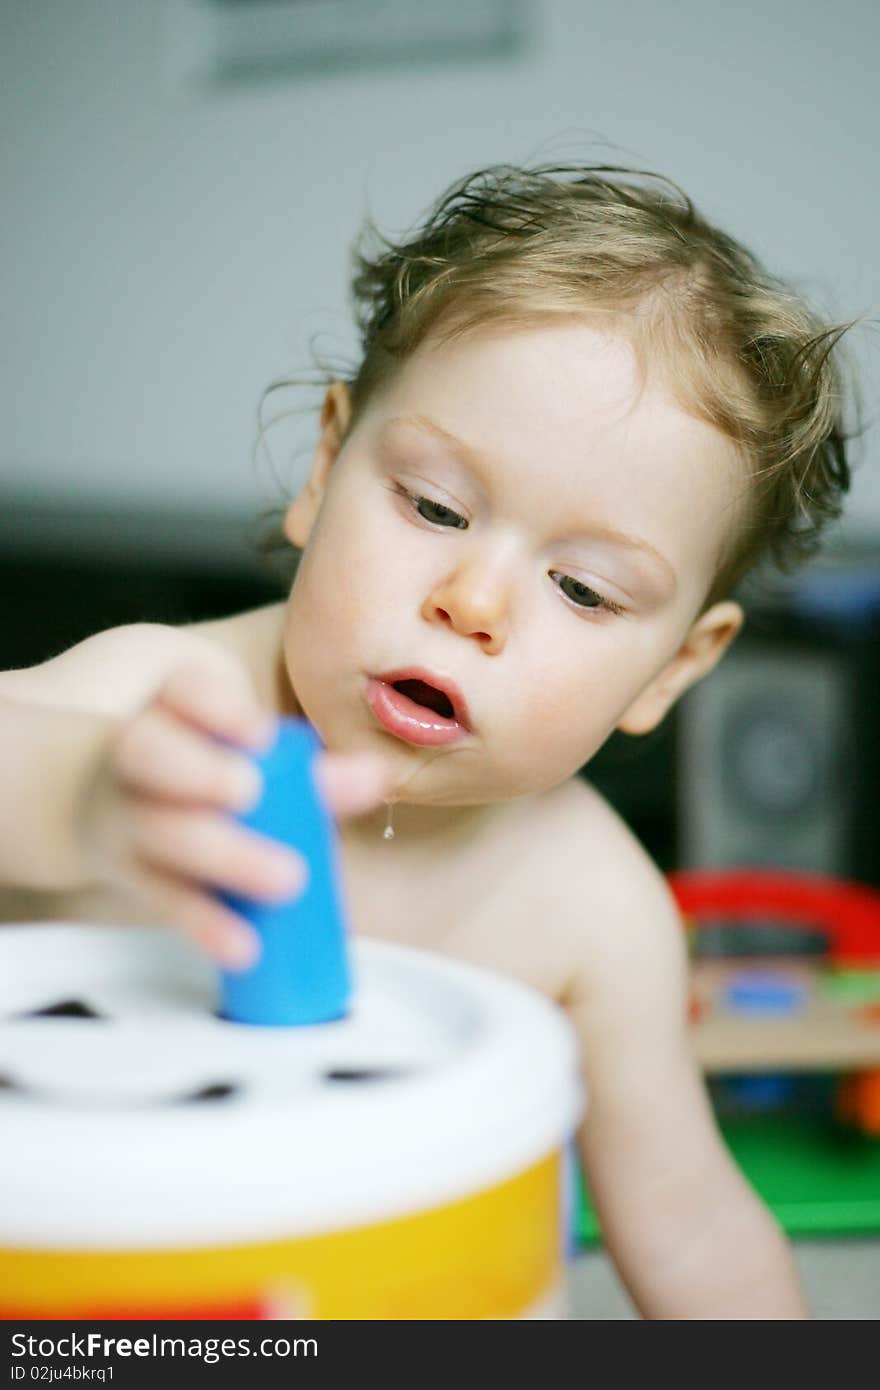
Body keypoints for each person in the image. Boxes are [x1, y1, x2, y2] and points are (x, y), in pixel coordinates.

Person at [0, 162, 863, 1318]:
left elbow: (693, 1221)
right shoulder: (164, 704)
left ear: (672, 668)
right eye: (436, 508)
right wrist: (88, 802)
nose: (475, 599)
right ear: (324, 469)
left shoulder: (594, 911)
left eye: (584, 588)